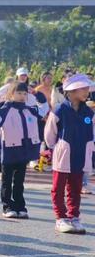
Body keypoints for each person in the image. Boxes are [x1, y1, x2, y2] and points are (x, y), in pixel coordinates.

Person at [45, 73, 95, 234]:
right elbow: (49, 134)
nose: (87, 92)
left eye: (88, 88)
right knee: (58, 187)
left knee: (75, 187)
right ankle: (61, 218)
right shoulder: (60, 110)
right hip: (64, 155)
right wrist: (58, 147)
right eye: (84, 89)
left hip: (81, 155)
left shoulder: (88, 112)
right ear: (72, 91)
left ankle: (74, 216)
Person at [0, 82, 42, 219]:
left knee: (19, 181)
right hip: (9, 149)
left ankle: (20, 206)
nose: (22, 96)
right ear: (11, 94)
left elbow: (44, 109)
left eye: (24, 93)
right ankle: (7, 206)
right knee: (6, 180)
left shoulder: (29, 109)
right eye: (19, 93)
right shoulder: (6, 108)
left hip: (23, 149)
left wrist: (37, 93)